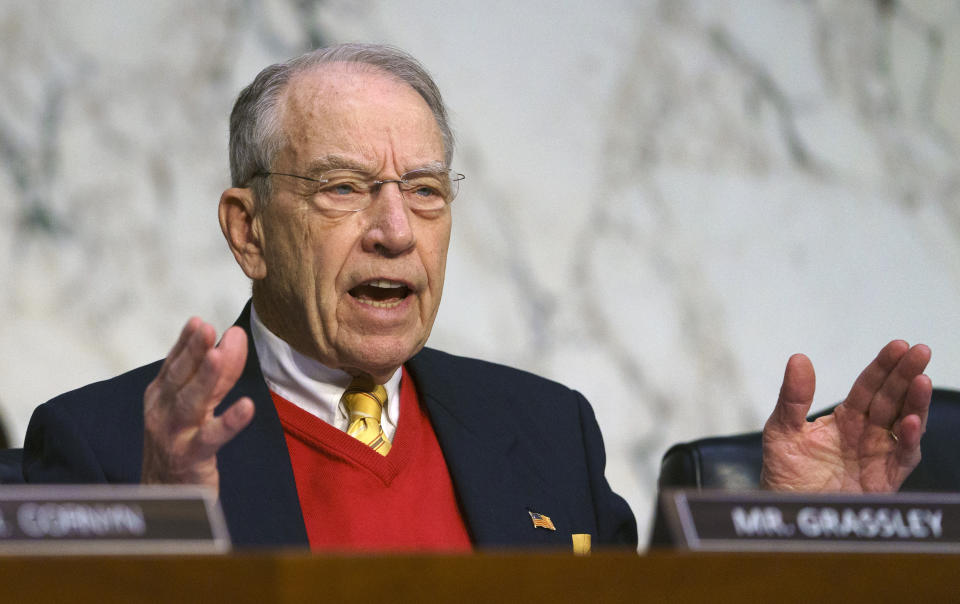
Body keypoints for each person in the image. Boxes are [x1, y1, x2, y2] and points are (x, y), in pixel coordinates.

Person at [22, 44, 932, 551]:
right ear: (247, 229)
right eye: (343, 187)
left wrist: (785, 541)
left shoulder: (545, 429)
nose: (395, 230)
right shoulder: (105, 446)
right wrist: (158, 526)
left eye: (425, 189)